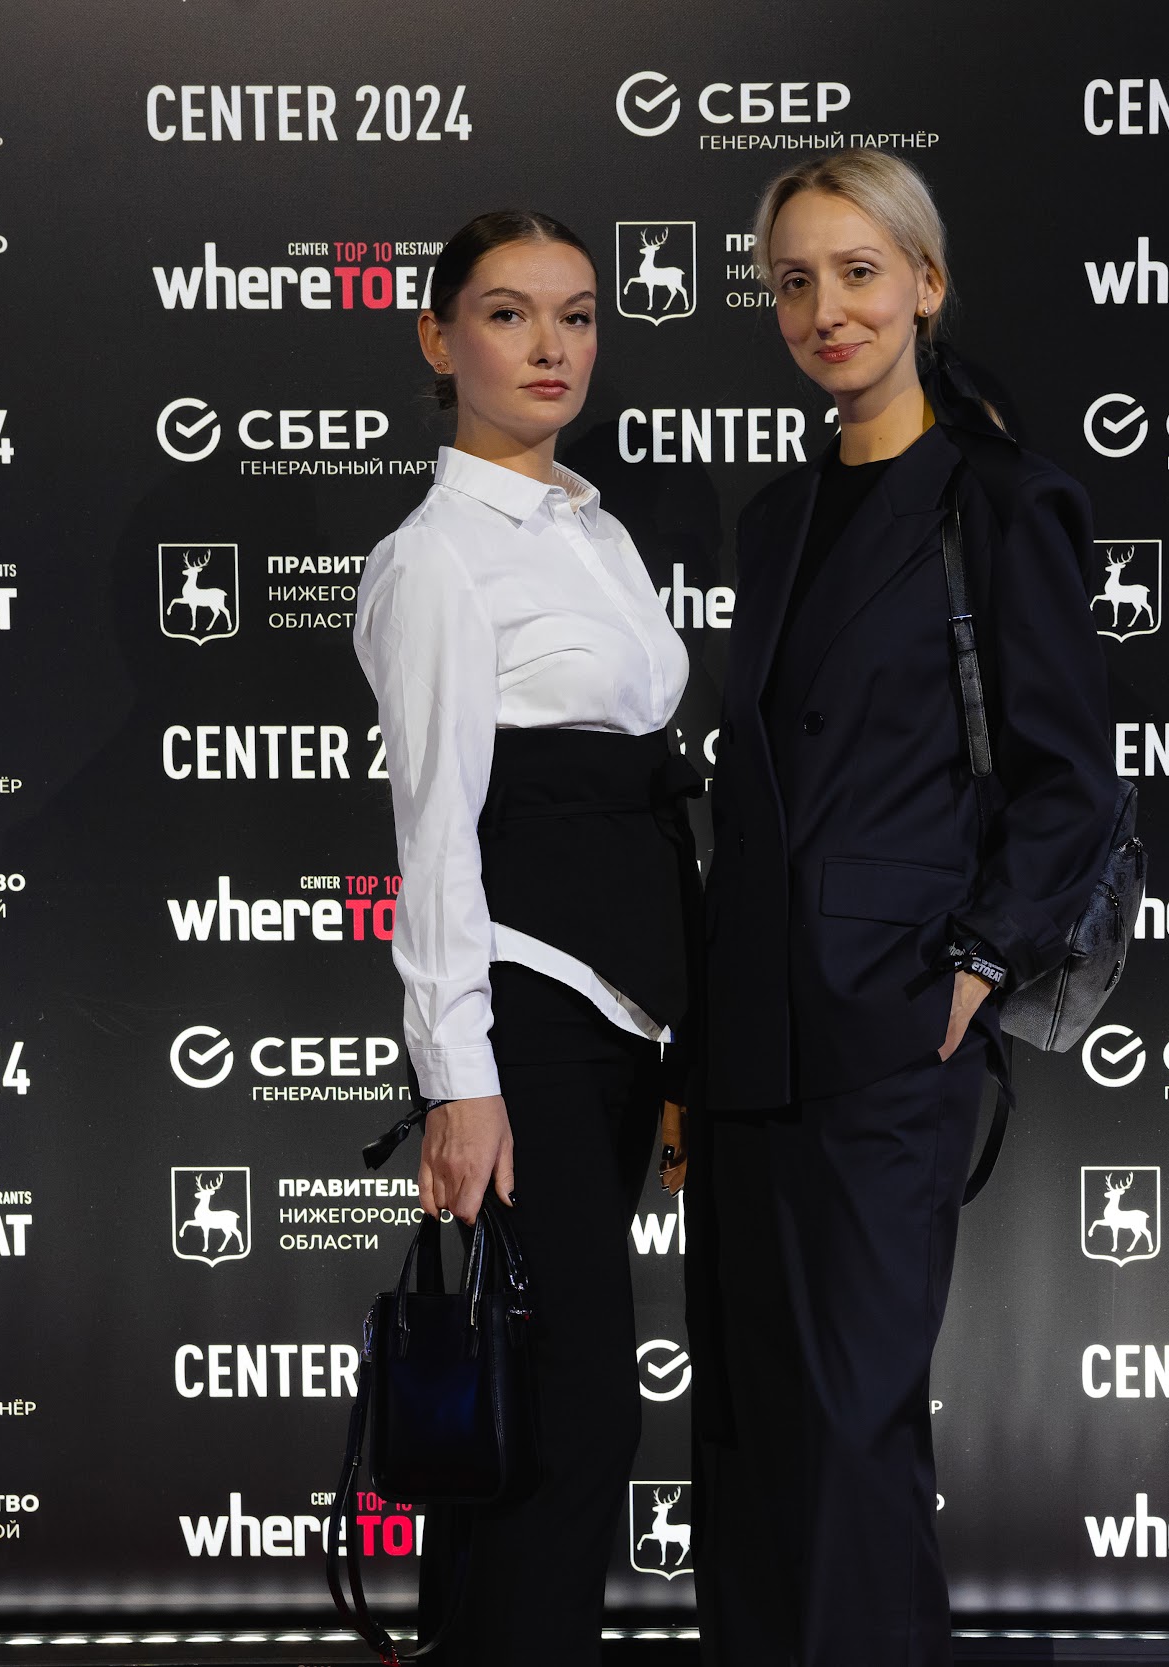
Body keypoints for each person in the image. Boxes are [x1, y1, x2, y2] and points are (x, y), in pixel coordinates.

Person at [690, 152, 1118, 1664]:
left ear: (926, 286)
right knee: (747, 1429)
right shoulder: (776, 514)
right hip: (746, 1035)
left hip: (889, 1023)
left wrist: (979, 963)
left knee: (851, 1420)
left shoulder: (1002, 499)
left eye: (859, 272)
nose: (827, 309)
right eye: (794, 282)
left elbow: (1072, 782)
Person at [352, 209, 700, 1665]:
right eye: (508, 313)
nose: (552, 345)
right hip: (524, 1013)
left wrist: (678, 1032)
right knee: (569, 1412)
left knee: (547, 1402)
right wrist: (459, 1079)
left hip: (623, 1015)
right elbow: (434, 830)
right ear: (440, 342)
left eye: (577, 313)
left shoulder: (596, 530)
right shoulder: (434, 559)